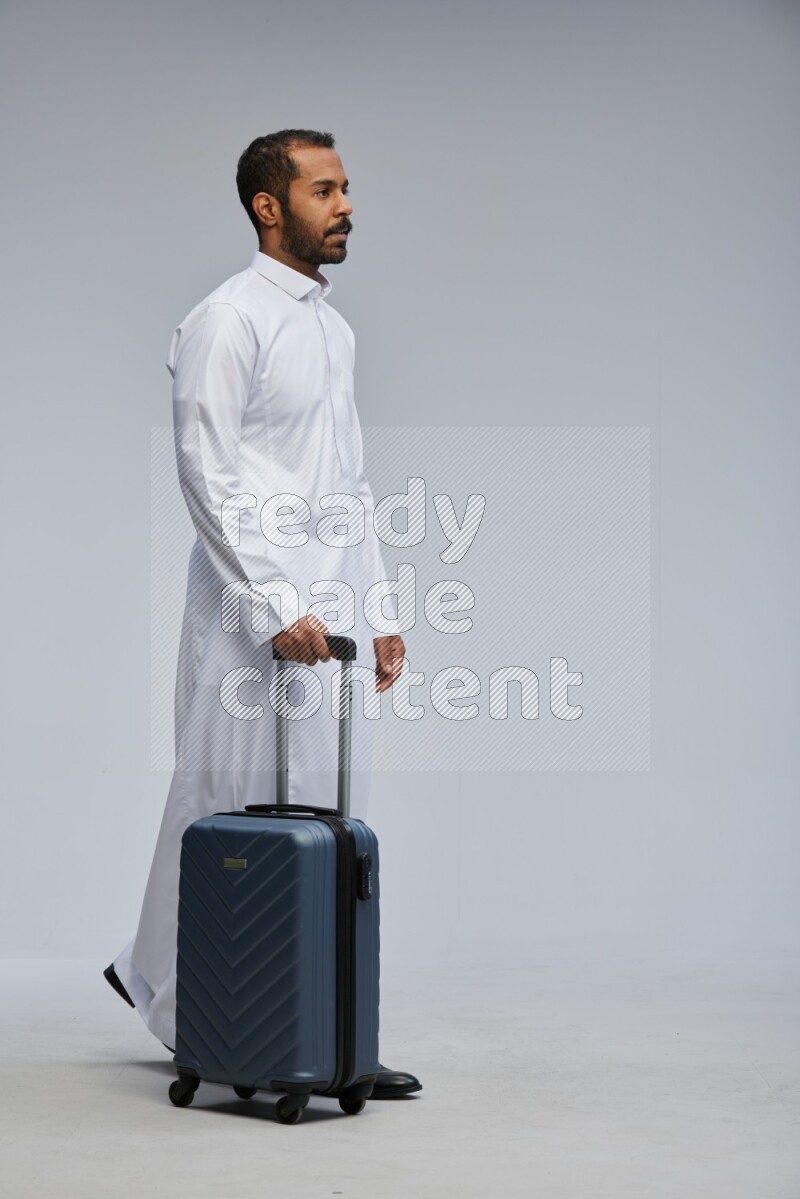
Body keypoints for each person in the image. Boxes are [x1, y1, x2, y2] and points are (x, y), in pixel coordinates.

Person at [104, 129, 421, 1098]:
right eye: (324, 189)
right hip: (253, 607)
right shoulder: (226, 319)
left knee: (327, 808)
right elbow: (208, 469)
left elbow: (348, 480)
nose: (346, 205)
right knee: (224, 799)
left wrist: (377, 604)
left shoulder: (331, 326)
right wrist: (273, 600)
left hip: (328, 604)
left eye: (347, 187)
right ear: (267, 205)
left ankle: (310, 1021)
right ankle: (191, 1005)